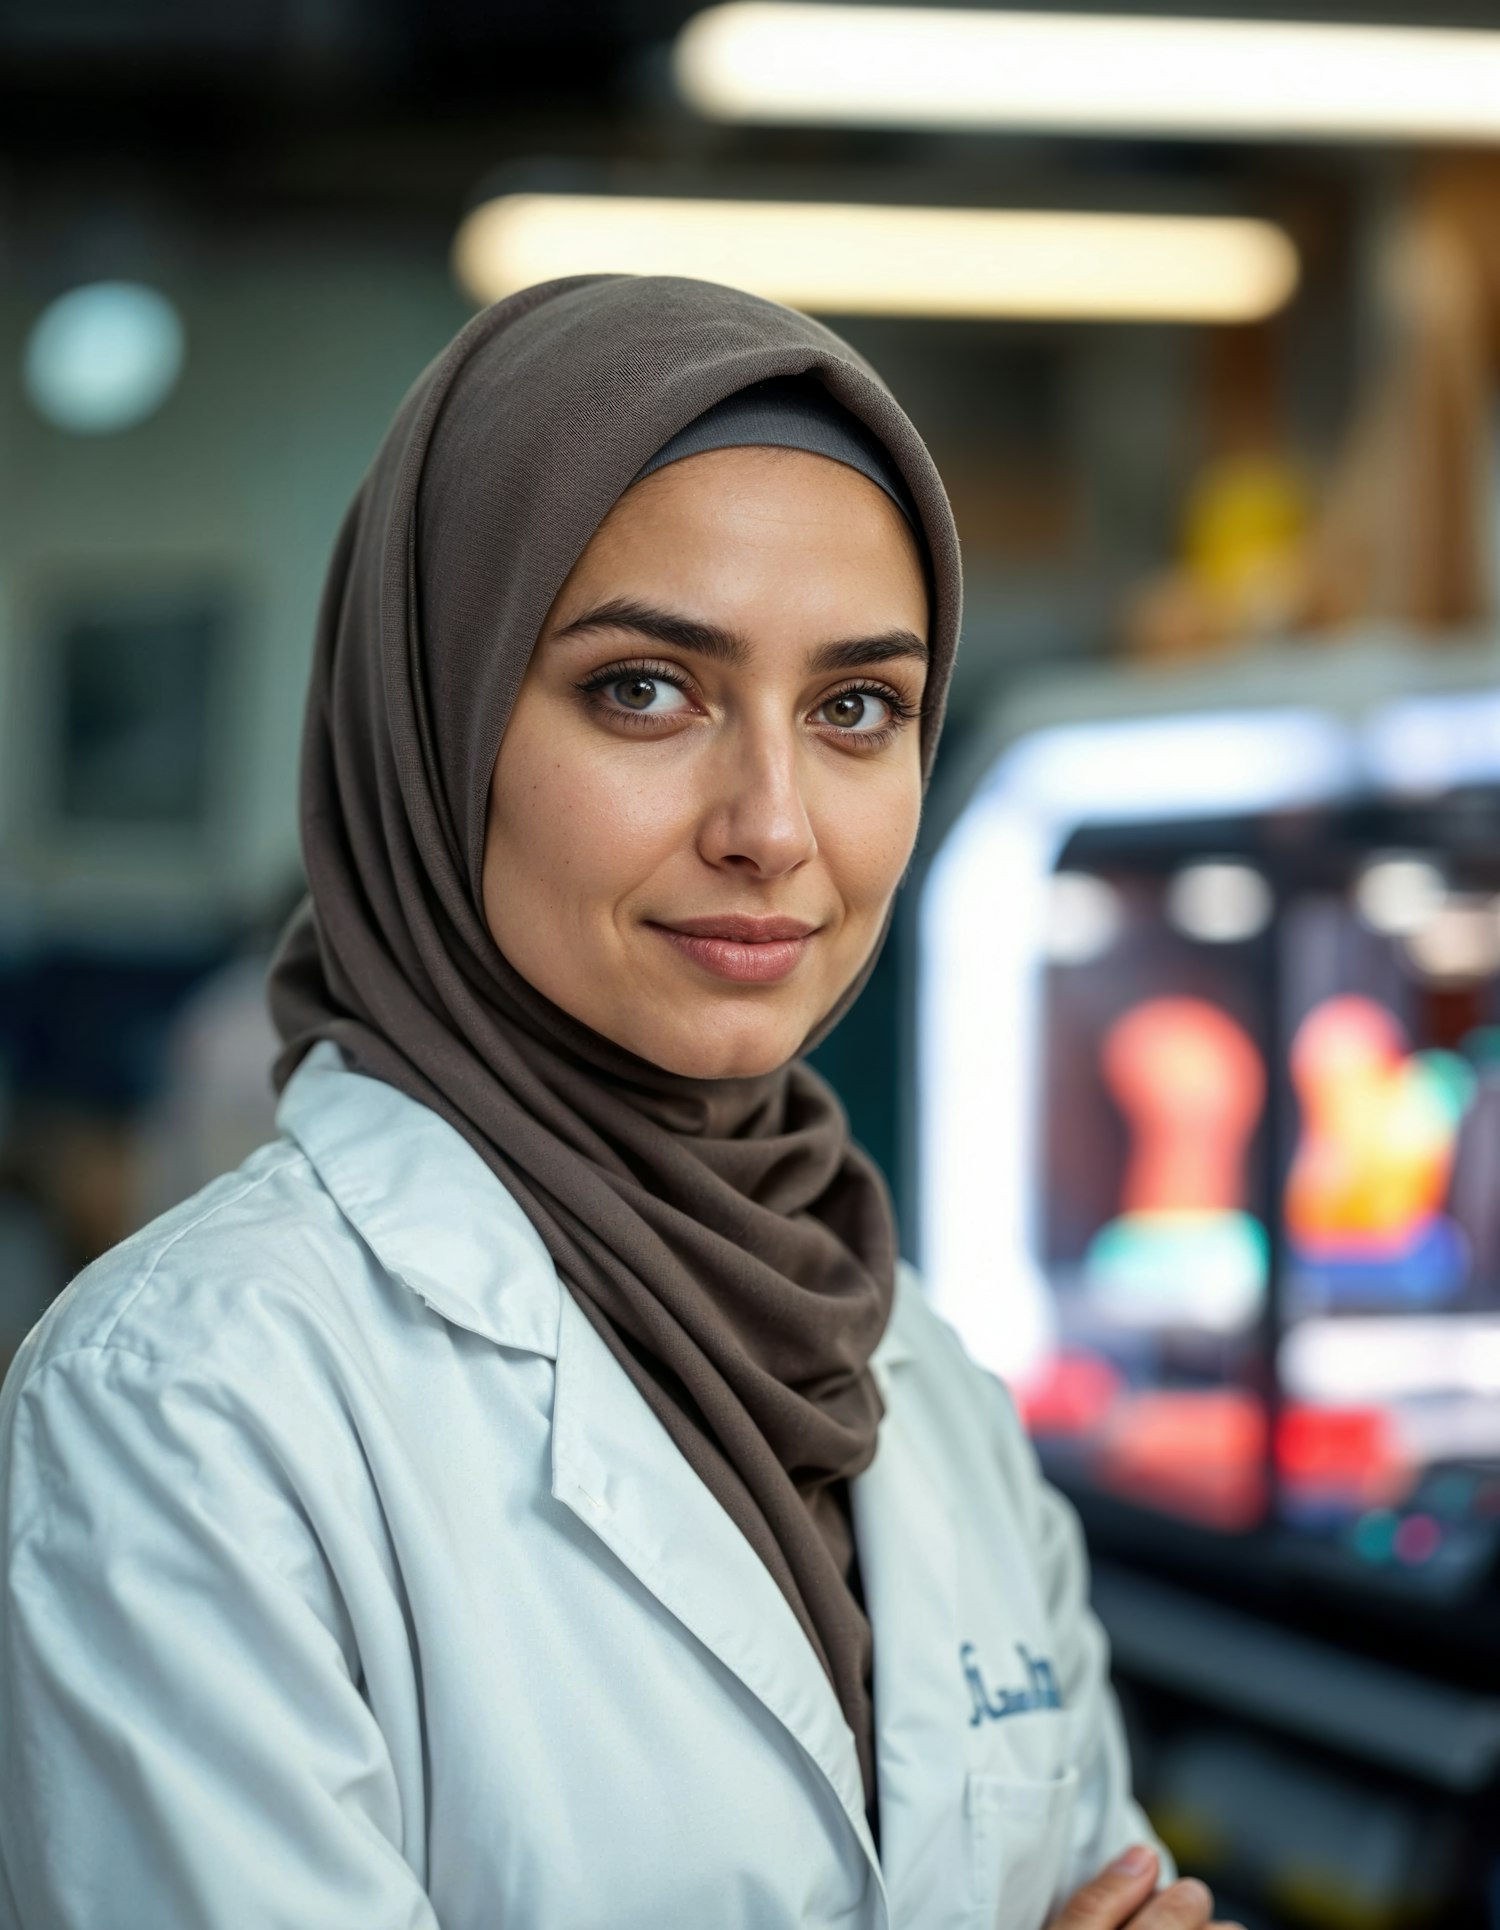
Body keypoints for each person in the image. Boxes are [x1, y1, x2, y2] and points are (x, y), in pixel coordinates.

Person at [0, 275, 1229, 1930]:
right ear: (437, 723)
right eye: (647, 688)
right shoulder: (190, 1405)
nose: (773, 825)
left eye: (856, 707)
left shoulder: (916, 1374)